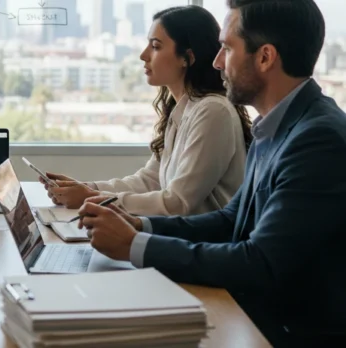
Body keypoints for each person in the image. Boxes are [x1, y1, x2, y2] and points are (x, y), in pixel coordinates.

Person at [76, 0, 346, 346]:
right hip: (254, 313)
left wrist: (135, 246)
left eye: (226, 48)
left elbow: (259, 263)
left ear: (265, 57)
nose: (217, 62)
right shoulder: (280, 125)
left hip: (289, 332)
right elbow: (231, 220)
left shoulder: (317, 139)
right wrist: (142, 226)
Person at [42, 6, 252, 217]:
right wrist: (88, 188)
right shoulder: (183, 110)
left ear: (187, 57)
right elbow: (149, 180)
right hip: (182, 237)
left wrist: (90, 198)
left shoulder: (213, 111)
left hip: (206, 244)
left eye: (155, 46)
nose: (144, 55)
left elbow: (177, 202)